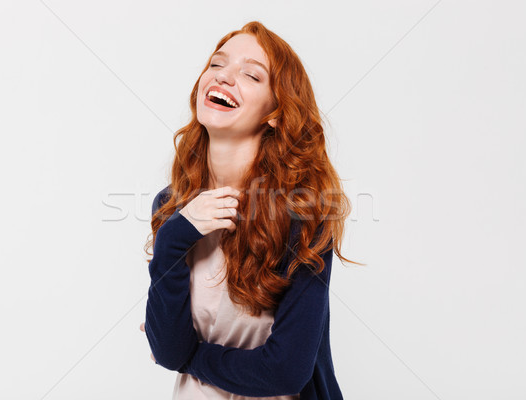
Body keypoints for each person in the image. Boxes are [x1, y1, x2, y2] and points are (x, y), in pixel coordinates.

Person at [139, 21, 363, 399]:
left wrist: (192, 357)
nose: (224, 77)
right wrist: (174, 238)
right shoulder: (172, 206)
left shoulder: (303, 215)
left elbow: (285, 371)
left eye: (250, 75)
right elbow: (167, 351)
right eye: (216, 64)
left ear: (275, 112)